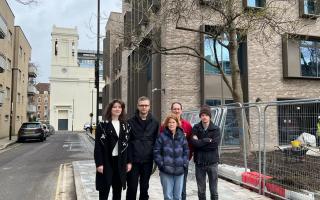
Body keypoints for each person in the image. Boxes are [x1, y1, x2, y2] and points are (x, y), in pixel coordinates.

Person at [94, 99, 131, 200]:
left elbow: (128, 145)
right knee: (104, 190)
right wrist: (99, 164)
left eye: (120, 107)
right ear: (110, 109)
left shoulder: (125, 125)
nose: (117, 109)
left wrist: (129, 162)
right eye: (115, 107)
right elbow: (98, 146)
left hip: (120, 162)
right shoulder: (102, 125)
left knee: (117, 190)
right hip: (106, 161)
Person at [126, 96, 159, 200]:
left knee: (144, 187)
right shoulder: (130, 122)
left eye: (146, 105)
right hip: (133, 160)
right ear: (138, 106)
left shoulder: (155, 122)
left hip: (147, 160)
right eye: (142, 105)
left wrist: (155, 159)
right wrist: (128, 160)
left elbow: (156, 141)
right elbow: (127, 143)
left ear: (149, 107)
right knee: (132, 187)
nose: (144, 107)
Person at [154, 114, 189, 200]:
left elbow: (186, 151)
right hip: (166, 171)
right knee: (168, 196)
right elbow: (156, 152)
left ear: (177, 123)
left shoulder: (182, 137)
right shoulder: (162, 136)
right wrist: (162, 165)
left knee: (178, 197)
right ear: (166, 124)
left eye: (173, 122)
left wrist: (184, 164)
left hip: (180, 170)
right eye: (169, 122)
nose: (171, 124)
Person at [191, 105, 221, 200]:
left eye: (206, 115)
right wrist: (206, 141)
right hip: (199, 163)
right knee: (201, 191)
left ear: (210, 116)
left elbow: (214, 145)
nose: (204, 117)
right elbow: (194, 143)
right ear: (200, 116)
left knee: (214, 191)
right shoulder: (196, 128)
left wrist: (200, 142)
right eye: (202, 115)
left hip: (212, 163)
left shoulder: (216, 129)